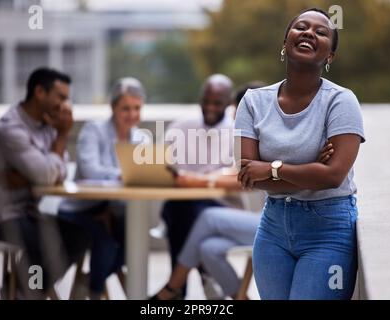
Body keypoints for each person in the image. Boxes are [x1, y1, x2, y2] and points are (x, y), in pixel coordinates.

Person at [150, 82, 334, 300]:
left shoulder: (279, 141)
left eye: (243, 116)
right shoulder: (259, 143)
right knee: (207, 248)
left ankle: (171, 289)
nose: (239, 125)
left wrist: (202, 181)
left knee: (207, 217)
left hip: (285, 223)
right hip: (265, 219)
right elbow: (241, 173)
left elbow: (243, 177)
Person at [235, 8, 365, 300]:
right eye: (301, 27)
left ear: (330, 56)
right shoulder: (253, 102)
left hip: (329, 230)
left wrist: (271, 168)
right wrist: (310, 169)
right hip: (272, 231)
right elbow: (248, 176)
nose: (309, 32)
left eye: (321, 32)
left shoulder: (341, 102)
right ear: (285, 43)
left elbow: (332, 176)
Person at [0, 67, 89, 299]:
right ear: (40, 92)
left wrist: (33, 175)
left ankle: (22, 289)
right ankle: (27, 290)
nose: (64, 105)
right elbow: (47, 175)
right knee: (45, 241)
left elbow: (59, 173)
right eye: (61, 97)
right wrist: (61, 138)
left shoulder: (46, 126)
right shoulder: (11, 128)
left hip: (28, 211)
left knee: (80, 235)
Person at [58, 77, 150, 299]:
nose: (132, 114)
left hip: (115, 210)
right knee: (106, 242)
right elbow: (91, 171)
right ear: (113, 108)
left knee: (136, 239)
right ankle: (95, 291)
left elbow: (141, 176)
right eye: (125, 108)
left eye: (137, 108)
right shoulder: (94, 130)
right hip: (81, 209)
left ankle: (89, 283)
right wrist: (124, 174)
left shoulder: (140, 139)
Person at [161, 74, 244, 297]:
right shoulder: (182, 125)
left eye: (217, 102)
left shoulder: (238, 132)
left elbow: (240, 178)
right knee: (178, 208)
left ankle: (175, 287)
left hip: (222, 206)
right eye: (205, 100)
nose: (209, 106)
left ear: (228, 103)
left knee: (187, 212)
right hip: (184, 203)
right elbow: (163, 163)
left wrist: (199, 180)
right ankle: (202, 278)